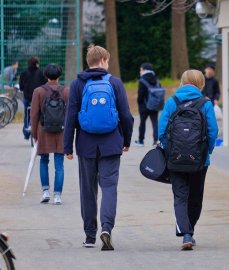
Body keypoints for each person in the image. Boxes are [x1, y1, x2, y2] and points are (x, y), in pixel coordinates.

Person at [64, 45, 134, 251]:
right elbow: (126, 116)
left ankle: (89, 235)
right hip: (111, 145)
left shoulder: (77, 84)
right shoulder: (115, 83)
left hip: (86, 145)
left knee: (88, 190)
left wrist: (67, 145)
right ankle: (107, 228)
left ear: (89, 61)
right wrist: (126, 141)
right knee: (109, 188)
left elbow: (71, 117)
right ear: (103, 60)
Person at [158, 69, 218, 250]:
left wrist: (169, 150)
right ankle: (189, 232)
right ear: (201, 83)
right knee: (195, 196)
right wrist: (207, 151)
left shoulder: (172, 102)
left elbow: (161, 131)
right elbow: (212, 132)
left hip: (175, 159)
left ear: (183, 82)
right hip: (199, 160)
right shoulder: (205, 103)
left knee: (180, 196)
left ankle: (185, 233)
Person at [30, 64, 68, 205]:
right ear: (59, 75)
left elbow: (34, 115)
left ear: (45, 75)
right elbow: (70, 114)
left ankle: (45, 191)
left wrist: (35, 134)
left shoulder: (38, 91)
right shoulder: (66, 91)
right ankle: (57, 195)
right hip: (61, 131)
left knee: (44, 161)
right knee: (59, 165)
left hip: (43, 131)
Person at [19, 56, 47, 140]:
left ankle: (26, 132)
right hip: (38, 98)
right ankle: (40, 130)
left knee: (27, 114)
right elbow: (45, 86)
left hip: (27, 97)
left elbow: (21, 87)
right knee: (40, 113)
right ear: (37, 64)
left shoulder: (23, 73)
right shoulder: (41, 73)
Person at [135, 62, 159, 146]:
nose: (140, 70)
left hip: (144, 105)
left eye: (141, 69)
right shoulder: (156, 79)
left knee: (142, 122)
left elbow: (140, 94)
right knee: (155, 122)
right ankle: (156, 141)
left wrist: (139, 102)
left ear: (144, 69)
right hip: (155, 104)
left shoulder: (142, 80)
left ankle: (141, 141)